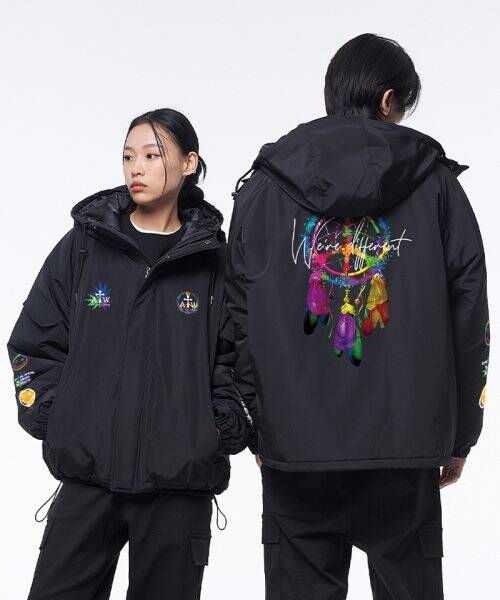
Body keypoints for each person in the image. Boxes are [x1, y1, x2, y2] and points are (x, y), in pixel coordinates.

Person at [226, 33, 489, 599]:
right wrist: (461, 431)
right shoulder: (436, 184)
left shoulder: (264, 187)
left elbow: (235, 318)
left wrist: (258, 425)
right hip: (405, 440)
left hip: (295, 446)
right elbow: (470, 315)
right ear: (389, 100)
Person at [7, 108, 253, 599]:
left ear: (189, 163)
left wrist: (215, 428)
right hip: (88, 479)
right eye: (127, 156)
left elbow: (239, 358)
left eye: (151, 155)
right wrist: (58, 415)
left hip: (178, 487)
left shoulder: (214, 262)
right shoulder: (85, 247)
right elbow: (34, 342)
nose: (136, 168)